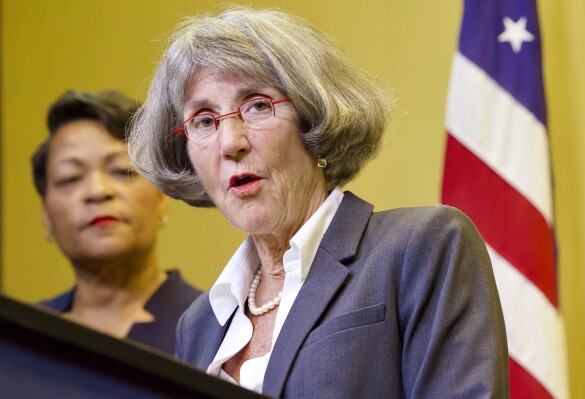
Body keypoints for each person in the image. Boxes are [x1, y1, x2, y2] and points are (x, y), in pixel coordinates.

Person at [128, 7, 509, 398]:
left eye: (258, 105)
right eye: (204, 120)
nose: (230, 143)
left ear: (312, 120)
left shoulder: (421, 247)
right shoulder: (199, 325)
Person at [32, 90, 202, 355]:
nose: (98, 191)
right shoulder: (20, 341)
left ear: (161, 195)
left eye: (122, 171)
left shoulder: (214, 332)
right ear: (46, 214)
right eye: (71, 178)